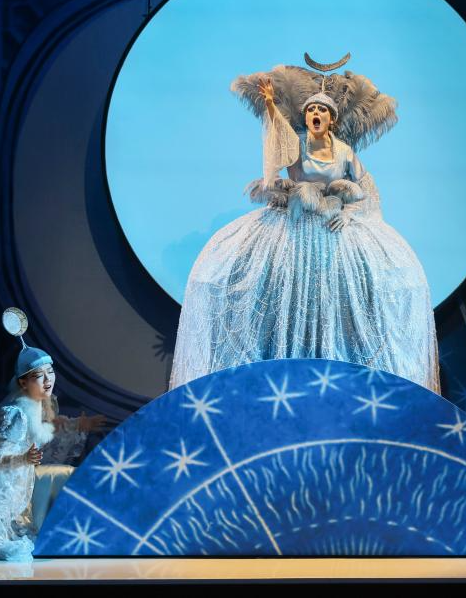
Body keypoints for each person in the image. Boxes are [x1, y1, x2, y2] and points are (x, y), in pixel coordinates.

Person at [169, 59, 439, 392]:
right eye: (311, 110)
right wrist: (270, 103)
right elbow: (277, 136)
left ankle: (341, 375)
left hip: (333, 229)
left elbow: (366, 189)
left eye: (322, 110)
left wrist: (351, 212)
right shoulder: (295, 143)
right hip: (293, 224)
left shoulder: (344, 151)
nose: (315, 114)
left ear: (332, 118)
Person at [0, 345, 107, 561]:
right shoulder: (15, 414)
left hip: (16, 474)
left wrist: (79, 425)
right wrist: (24, 458)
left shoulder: (39, 404)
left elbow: (50, 429)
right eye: (39, 375)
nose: (48, 379)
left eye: (50, 371)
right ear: (23, 383)